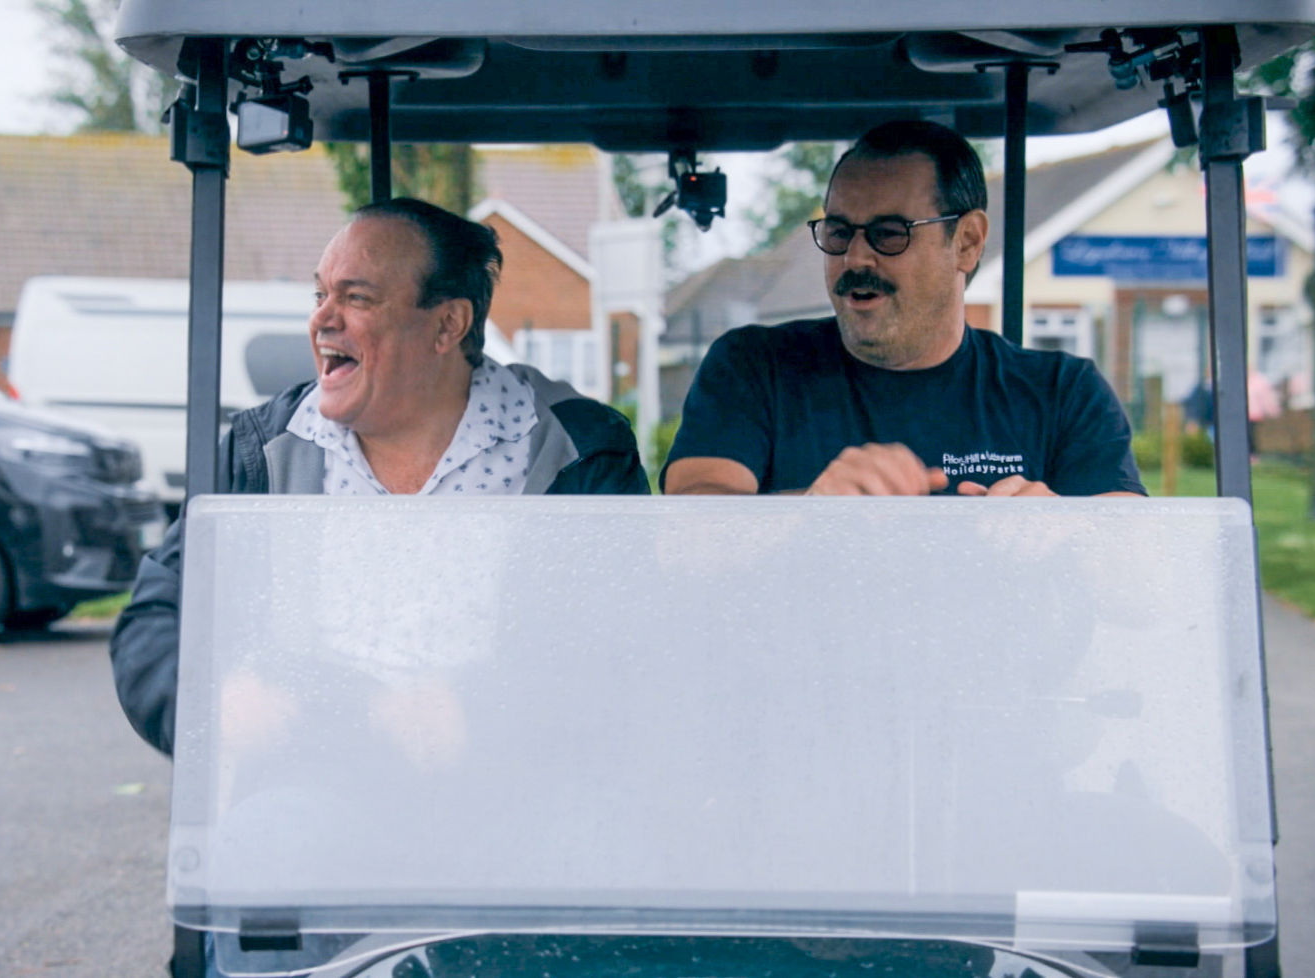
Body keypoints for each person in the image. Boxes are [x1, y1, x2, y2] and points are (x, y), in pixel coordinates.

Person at [111, 197, 649, 756]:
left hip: (520, 783)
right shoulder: (263, 452)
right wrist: (209, 700)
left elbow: (627, 645)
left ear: (447, 325)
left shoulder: (580, 452)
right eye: (321, 294)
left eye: (357, 298)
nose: (322, 317)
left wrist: (482, 712)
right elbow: (157, 616)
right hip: (306, 776)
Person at [663, 120, 1144, 499]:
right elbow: (684, 539)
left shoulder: (1064, 394)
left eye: (889, 233)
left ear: (967, 243)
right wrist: (808, 507)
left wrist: (1067, 530)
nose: (854, 258)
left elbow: (1142, 584)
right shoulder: (754, 367)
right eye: (837, 232)